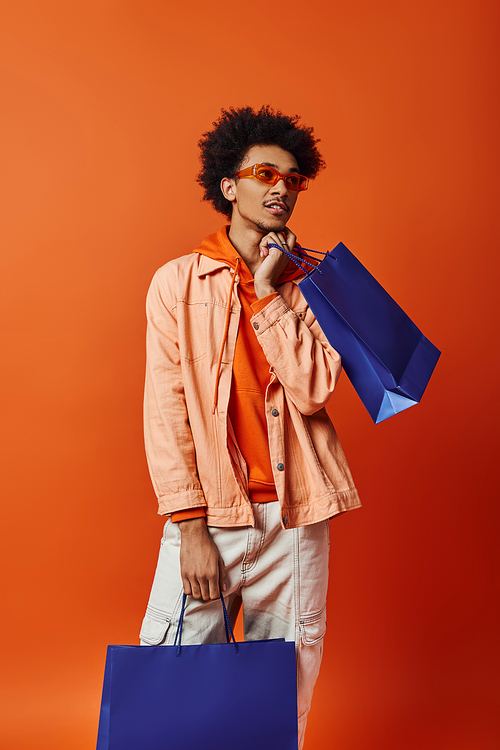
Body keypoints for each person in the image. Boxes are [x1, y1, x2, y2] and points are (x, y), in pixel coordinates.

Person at [139, 105, 361, 748]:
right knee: (170, 676)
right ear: (228, 186)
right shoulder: (176, 283)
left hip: (296, 519)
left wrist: (269, 290)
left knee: (279, 694)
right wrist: (190, 529)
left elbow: (315, 389)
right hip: (210, 517)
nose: (281, 189)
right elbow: (167, 410)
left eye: (293, 179)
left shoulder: (312, 286)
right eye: (265, 173)